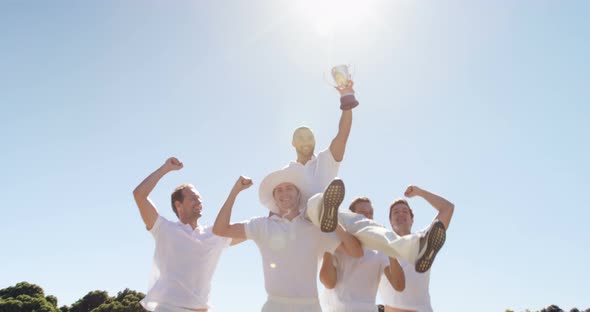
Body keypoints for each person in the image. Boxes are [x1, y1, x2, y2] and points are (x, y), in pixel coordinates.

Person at [290, 80, 446, 274]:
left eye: (309, 137)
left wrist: (346, 99)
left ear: (315, 141)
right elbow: (276, 205)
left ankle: (416, 249)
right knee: (315, 202)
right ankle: (323, 210)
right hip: (305, 224)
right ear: (292, 143)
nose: (305, 141)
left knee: (364, 223)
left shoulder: (324, 160)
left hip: (333, 220)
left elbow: (342, 134)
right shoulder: (287, 174)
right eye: (300, 137)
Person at [212, 167, 363, 312]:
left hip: (309, 306)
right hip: (275, 306)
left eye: (289, 188)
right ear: (275, 199)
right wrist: (235, 191)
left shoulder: (315, 229)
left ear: (299, 194)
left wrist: (335, 223)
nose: (284, 192)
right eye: (279, 190)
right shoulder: (261, 225)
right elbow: (220, 229)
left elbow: (356, 252)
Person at [132, 157, 244, 312]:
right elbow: (139, 195)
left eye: (199, 198)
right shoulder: (164, 229)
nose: (199, 202)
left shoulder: (215, 235)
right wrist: (165, 169)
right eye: (193, 198)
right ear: (179, 205)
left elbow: (254, 230)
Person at [320, 197, 405, 312]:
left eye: (370, 213)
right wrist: (328, 245)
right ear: (351, 216)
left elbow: (399, 285)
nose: (368, 217)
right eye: (362, 213)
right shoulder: (338, 244)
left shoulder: (379, 250)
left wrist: (390, 250)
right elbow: (329, 283)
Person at [379, 185, 454, 312]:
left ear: (412, 219)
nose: (400, 214)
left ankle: (422, 253)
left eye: (405, 211)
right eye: (396, 212)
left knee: (430, 235)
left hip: (421, 309)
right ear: (390, 221)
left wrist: (420, 192)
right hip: (392, 309)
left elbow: (448, 208)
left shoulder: (422, 238)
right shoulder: (380, 247)